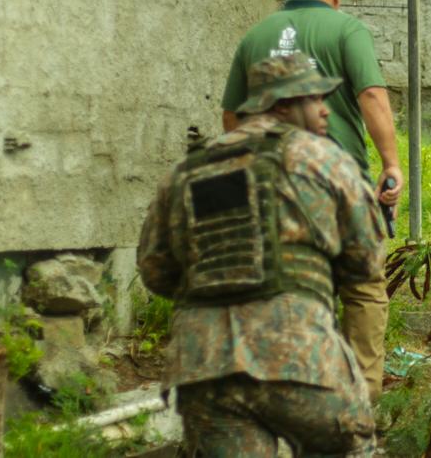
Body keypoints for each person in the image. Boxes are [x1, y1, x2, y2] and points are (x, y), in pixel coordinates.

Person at [138, 53, 385, 457]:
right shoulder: (322, 159)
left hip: (205, 367)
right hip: (301, 359)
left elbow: (155, 271)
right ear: (283, 105)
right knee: (349, 447)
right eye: (314, 98)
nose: (325, 110)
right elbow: (367, 262)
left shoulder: (185, 171)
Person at [220, 0, 398, 400]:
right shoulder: (347, 30)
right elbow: (372, 96)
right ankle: (360, 396)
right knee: (362, 286)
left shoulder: (256, 34)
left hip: (272, 185)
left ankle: (289, 387)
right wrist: (391, 163)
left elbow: (231, 116)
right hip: (339, 182)